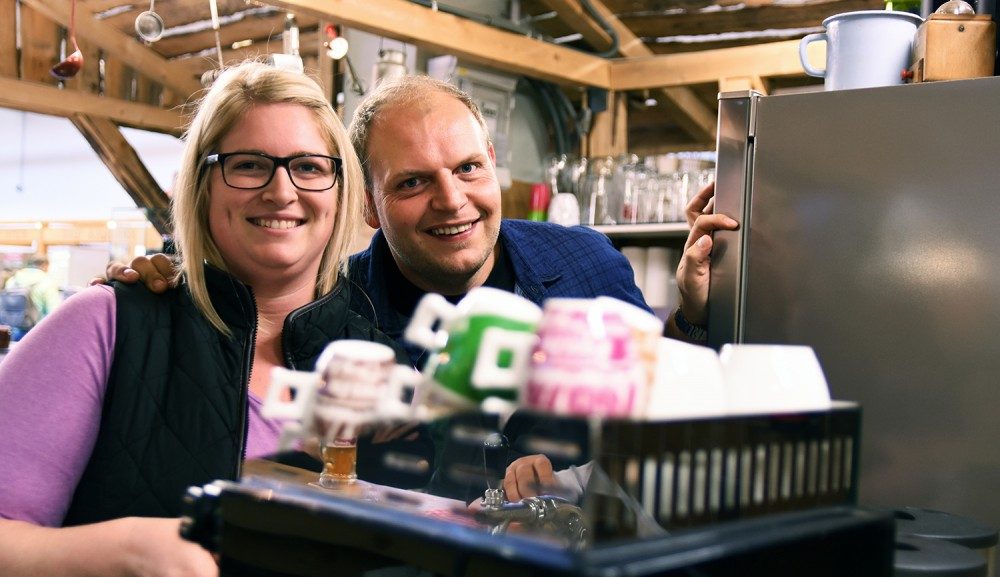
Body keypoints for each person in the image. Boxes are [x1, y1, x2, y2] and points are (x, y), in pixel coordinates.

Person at [0, 61, 406, 576]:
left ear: (340, 188)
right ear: (202, 185)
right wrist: (121, 550)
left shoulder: (383, 367)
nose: (282, 191)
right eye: (249, 164)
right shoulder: (106, 325)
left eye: (308, 166)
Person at [3, 254, 62, 337]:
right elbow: (54, 312)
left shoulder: (13, 280)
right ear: (45, 266)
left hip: (11, 331)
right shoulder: (47, 282)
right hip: (36, 333)